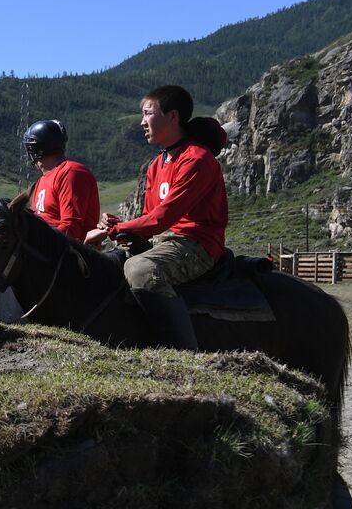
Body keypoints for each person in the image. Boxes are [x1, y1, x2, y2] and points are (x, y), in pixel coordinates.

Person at [85, 85, 228, 349]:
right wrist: (116, 224)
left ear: (173, 116)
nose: (142, 122)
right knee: (102, 265)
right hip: (161, 243)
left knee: (140, 270)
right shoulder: (156, 164)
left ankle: (181, 352)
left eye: (148, 113)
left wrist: (113, 231)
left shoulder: (197, 159)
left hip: (195, 244)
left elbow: (162, 218)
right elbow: (149, 218)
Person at [23, 119, 100, 243]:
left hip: (70, 254)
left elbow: (71, 227)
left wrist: (38, 242)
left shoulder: (71, 172)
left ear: (36, 150)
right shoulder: (41, 181)